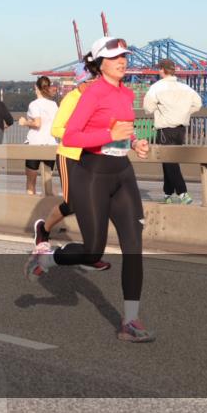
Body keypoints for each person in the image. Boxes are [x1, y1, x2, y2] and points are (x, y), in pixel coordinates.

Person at [25, 37, 154, 343]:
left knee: (134, 248)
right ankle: (48, 259)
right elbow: (70, 136)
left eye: (124, 56)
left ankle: (130, 322)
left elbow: (126, 127)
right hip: (92, 174)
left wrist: (135, 142)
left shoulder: (126, 92)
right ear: (99, 63)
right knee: (93, 249)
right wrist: (108, 134)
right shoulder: (92, 92)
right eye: (114, 57)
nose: (122, 61)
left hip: (122, 173)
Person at [31, 64, 110, 271]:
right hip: (70, 156)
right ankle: (44, 229)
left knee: (93, 203)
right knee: (74, 203)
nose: (96, 85)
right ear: (82, 82)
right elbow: (56, 128)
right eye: (92, 81)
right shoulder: (71, 99)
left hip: (91, 157)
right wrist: (81, 133)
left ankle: (89, 253)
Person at [143, 58, 202, 204]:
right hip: (181, 130)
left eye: (159, 69)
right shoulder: (185, 88)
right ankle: (167, 194)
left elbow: (148, 109)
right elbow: (198, 104)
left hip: (165, 129)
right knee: (169, 161)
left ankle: (182, 193)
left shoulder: (156, 87)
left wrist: (159, 108)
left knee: (170, 162)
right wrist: (184, 112)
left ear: (162, 70)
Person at [19, 76, 59, 195]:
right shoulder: (54, 105)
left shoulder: (34, 104)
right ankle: (47, 210)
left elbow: (37, 123)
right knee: (47, 182)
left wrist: (24, 122)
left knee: (31, 181)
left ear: (36, 87)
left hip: (34, 144)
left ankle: (30, 207)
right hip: (50, 144)